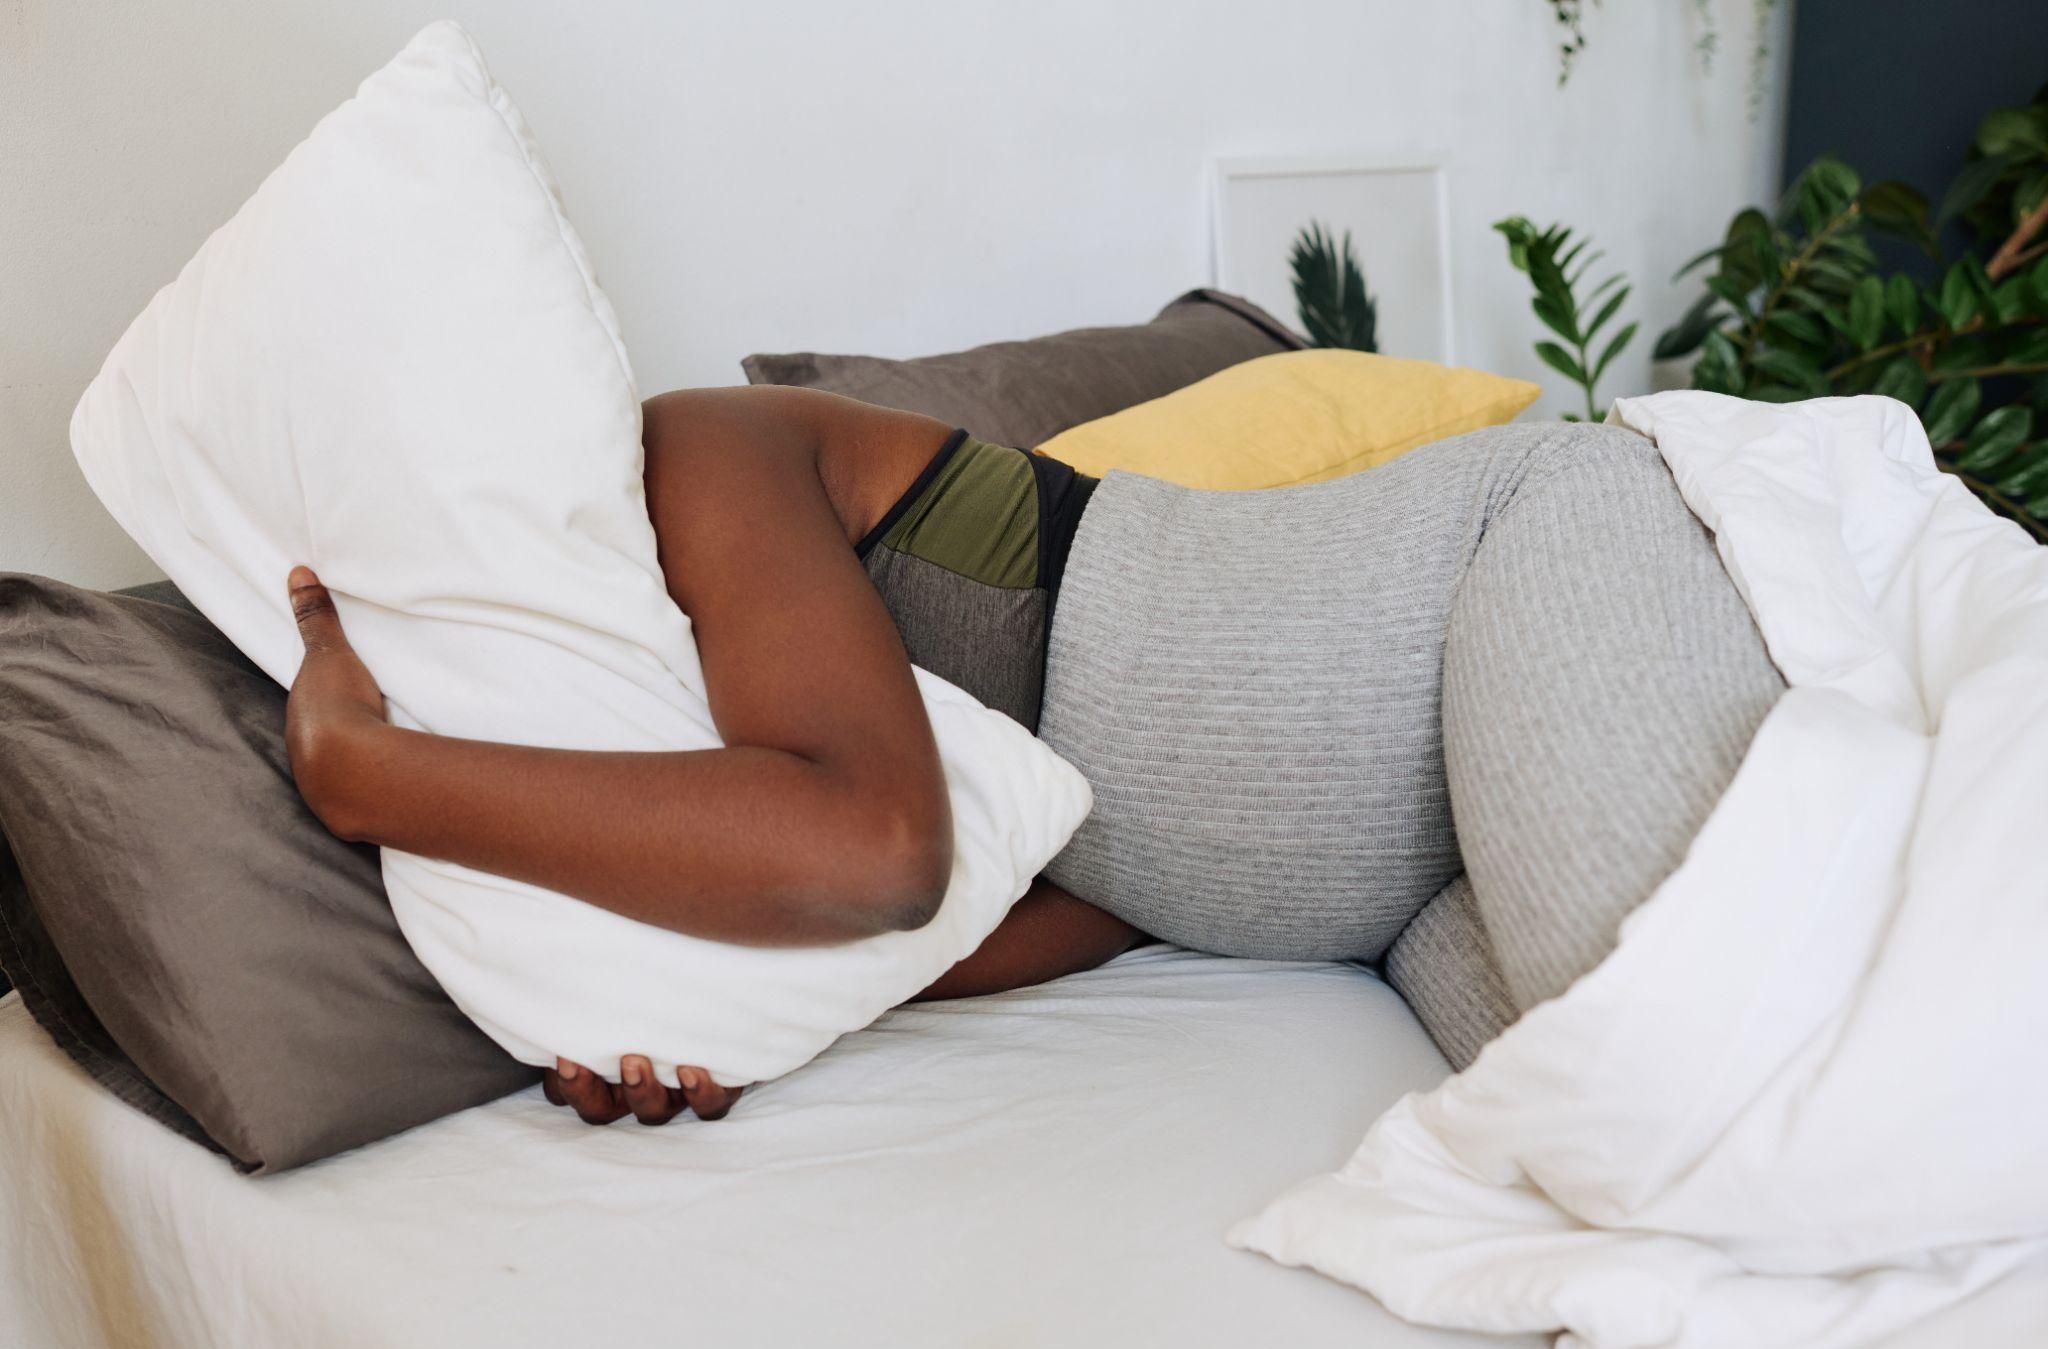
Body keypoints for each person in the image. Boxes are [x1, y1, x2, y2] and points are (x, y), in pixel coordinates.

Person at [282, 385, 1784, 1128]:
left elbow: (876, 850)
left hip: (1495, 565)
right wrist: (726, 990)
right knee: (1659, 1170)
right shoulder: (629, 719)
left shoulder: (696, 446)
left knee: (1741, 1060)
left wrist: (366, 773)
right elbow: (1050, 890)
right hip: (1384, 904)